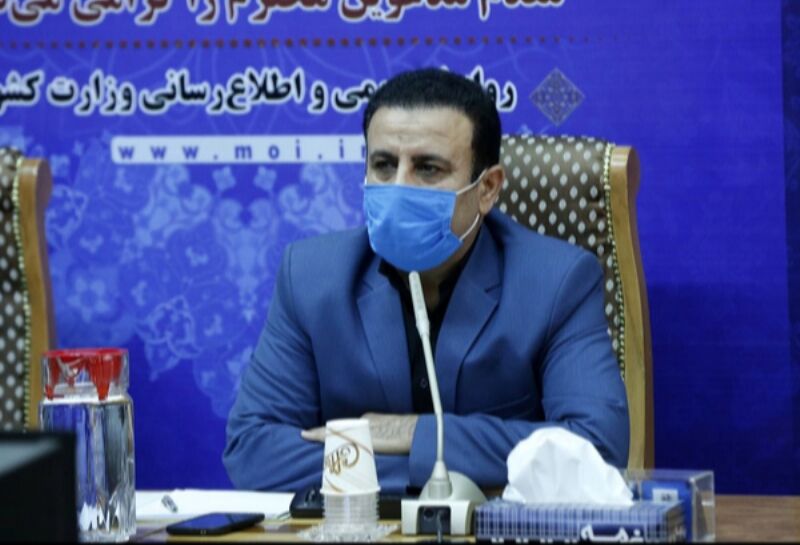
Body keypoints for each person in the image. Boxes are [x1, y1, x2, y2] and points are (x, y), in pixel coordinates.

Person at [223, 68, 629, 493]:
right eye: (383, 165)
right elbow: (252, 450)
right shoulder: (311, 276)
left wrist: (412, 434)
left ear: (488, 188)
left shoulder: (556, 282)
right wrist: (428, 468)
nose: (399, 187)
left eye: (428, 168)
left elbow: (596, 447)